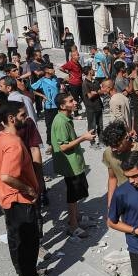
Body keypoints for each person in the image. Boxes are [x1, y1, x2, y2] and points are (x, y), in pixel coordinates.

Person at [0, 102, 47, 276]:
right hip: (20, 200)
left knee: (16, 240)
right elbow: (6, 176)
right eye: (22, 115)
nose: (26, 118)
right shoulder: (13, 143)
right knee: (28, 245)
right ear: (11, 118)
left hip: (7, 199)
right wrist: (29, 188)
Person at [51, 93, 95, 237]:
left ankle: (76, 217)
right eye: (71, 101)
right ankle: (73, 225)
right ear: (63, 106)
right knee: (73, 194)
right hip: (70, 165)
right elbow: (63, 147)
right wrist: (83, 138)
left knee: (76, 193)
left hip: (74, 162)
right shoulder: (61, 122)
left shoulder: (65, 118)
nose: (75, 102)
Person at [100, 120, 138, 207]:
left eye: (117, 145)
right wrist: (110, 205)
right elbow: (112, 178)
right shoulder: (108, 154)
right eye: (111, 146)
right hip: (125, 200)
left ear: (126, 137)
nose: (113, 149)